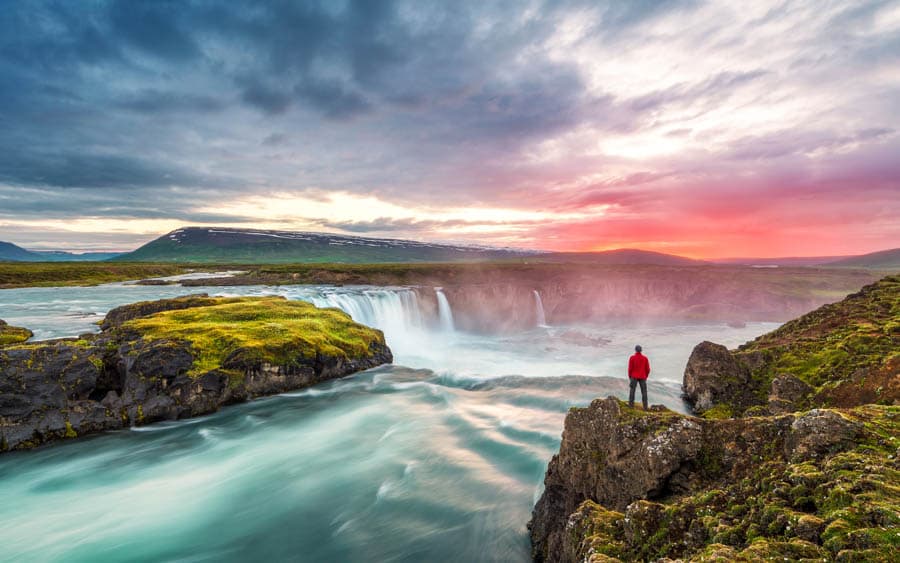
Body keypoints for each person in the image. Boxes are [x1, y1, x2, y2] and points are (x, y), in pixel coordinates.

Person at [627, 344, 650, 410]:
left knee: (632, 391)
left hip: (634, 376)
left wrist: (630, 377)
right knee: (644, 392)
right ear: (641, 350)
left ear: (635, 350)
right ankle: (645, 407)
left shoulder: (632, 358)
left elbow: (630, 369)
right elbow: (648, 369)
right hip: (643, 376)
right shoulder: (645, 358)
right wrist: (646, 376)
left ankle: (631, 406)